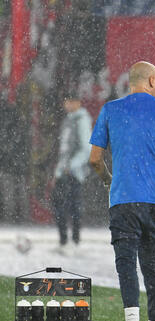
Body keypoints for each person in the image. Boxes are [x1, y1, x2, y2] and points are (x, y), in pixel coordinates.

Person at [89, 61, 155, 321]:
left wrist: (108, 179)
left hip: (123, 198)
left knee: (125, 260)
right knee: (152, 262)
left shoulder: (111, 110)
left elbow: (95, 159)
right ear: (153, 81)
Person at [52, 94, 92, 253]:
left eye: (68, 101)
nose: (66, 105)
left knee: (72, 206)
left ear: (77, 102)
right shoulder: (68, 120)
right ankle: (64, 241)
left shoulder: (81, 120)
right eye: (65, 101)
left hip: (74, 173)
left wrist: (72, 166)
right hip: (64, 171)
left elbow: (86, 148)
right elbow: (64, 150)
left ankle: (73, 241)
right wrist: (58, 171)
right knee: (61, 205)